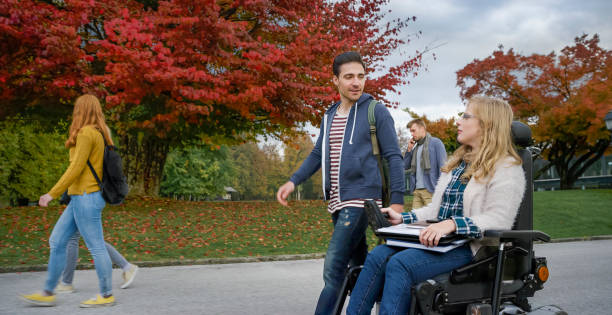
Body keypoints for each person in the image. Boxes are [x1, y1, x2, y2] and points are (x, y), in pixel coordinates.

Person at [346, 96, 526, 315]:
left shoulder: (507, 167)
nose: (458, 121)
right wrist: (404, 218)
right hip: (442, 242)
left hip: (472, 248)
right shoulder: (458, 165)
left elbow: (500, 220)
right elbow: (435, 210)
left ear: (487, 124)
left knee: (400, 264)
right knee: (377, 255)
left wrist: (452, 224)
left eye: (466, 116)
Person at [276, 51, 406, 315]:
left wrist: (398, 202)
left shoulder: (376, 111)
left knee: (334, 268)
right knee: (357, 268)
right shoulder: (330, 115)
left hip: (361, 200)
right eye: (349, 77)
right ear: (335, 80)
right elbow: (317, 154)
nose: (356, 82)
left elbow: (394, 157)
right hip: (336, 200)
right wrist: (294, 181)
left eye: (360, 76)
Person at [21, 94, 117, 308]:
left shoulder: (86, 133)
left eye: (77, 108)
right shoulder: (99, 133)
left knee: (97, 246)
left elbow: (76, 168)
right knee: (57, 241)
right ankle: (47, 292)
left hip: (86, 197)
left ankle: (106, 294)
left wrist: (51, 193)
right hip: (81, 198)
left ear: (81, 110)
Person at [55, 231, 139, 293]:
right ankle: (66, 282)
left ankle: (66, 282)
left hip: (82, 207)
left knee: (85, 239)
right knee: (88, 238)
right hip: (82, 207)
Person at [404, 118, 447, 210]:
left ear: (422, 128)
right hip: (416, 191)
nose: (411, 134)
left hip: (431, 190)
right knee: (415, 221)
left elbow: (443, 167)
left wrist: (440, 190)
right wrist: (408, 150)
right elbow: (405, 166)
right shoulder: (415, 148)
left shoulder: (436, 143)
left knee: (431, 221)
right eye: (410, 131)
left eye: (413, 130)